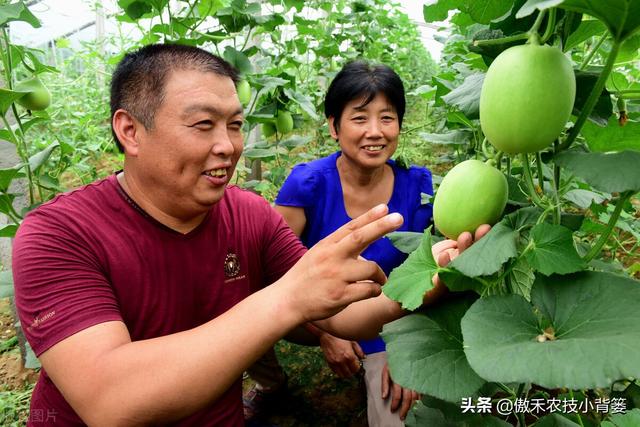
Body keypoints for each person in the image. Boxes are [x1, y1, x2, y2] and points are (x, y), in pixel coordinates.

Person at [12, 44, 486, 426]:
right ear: (130, 131)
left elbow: (348, 317)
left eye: (236, 125)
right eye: (204, 124)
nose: (228, 145)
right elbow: (111, 400)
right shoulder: (60, 234)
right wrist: (288, 299)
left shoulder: (249, 215)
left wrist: (427, 284)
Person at [245, 61, 432, 426]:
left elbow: (424, 274)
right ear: (334, 126)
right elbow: (267, 269)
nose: (375, 132)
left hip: (387, 320)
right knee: (241, 299)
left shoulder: (419, 184)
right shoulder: (308, 183)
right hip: (313, 311)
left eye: (387, 118)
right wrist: (326, 332)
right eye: (359, 118)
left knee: (398, 413)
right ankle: (272, 384)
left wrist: (407, 348)